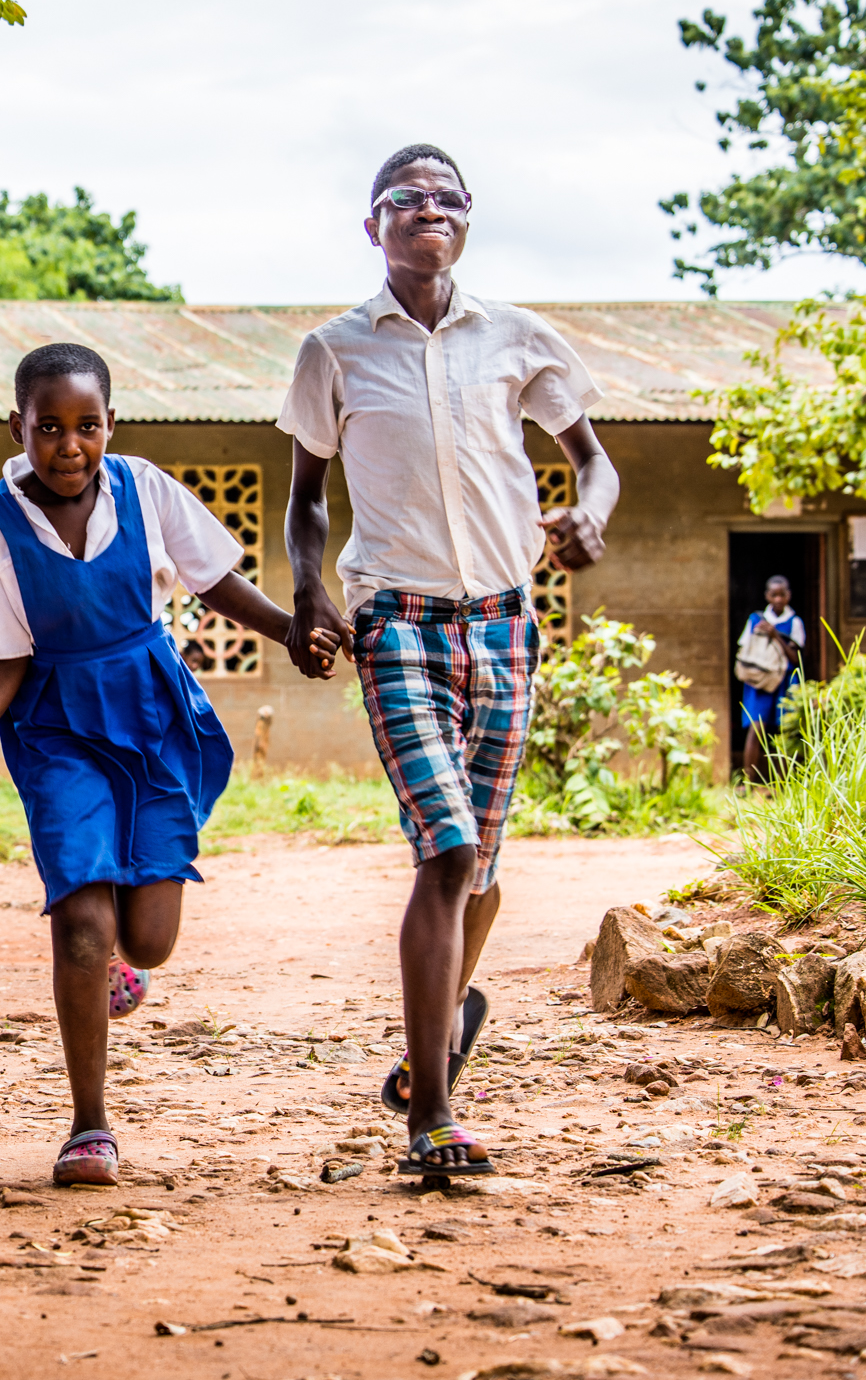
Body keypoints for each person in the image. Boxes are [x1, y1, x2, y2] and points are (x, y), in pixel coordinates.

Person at [280, 144, 618, 1182]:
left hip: (506, 623)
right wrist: (309, 588)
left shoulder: (518, 337)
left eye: (449, 197)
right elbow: (305, 498)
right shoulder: (334, 350)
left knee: (486, 868)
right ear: (373, 224)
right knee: (449, 850)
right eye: (408, 197)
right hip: (397, 624)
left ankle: (444, 1014)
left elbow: (593, 460)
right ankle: (431, 1109)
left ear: (467, 220)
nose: (430, 208)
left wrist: (589, 514)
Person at [0, 343, 317, 1188]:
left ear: (111, 424)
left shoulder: (143, 488)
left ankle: (119, 961)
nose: (70, 446)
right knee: (82, 920)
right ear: (18, 427)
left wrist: (290, 630)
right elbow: (6, 656)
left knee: (149, 939)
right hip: (55, 725)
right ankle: (88, 1124)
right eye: (49, 428)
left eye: (88, 426)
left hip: (149, 712)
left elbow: (214, 579)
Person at [736, 574, 806, 781]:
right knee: (756, 728)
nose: (778, 599)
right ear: (767, 596)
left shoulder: (794, 622)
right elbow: (744, 650)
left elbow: (795, 658)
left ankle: (782, 783)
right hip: (760, 681)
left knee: (784, 730)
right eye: (774, 595)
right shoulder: (755, 620)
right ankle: (749, 781)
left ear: (788, 596)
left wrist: (775, 636)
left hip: (785, 681)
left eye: (782, 595)